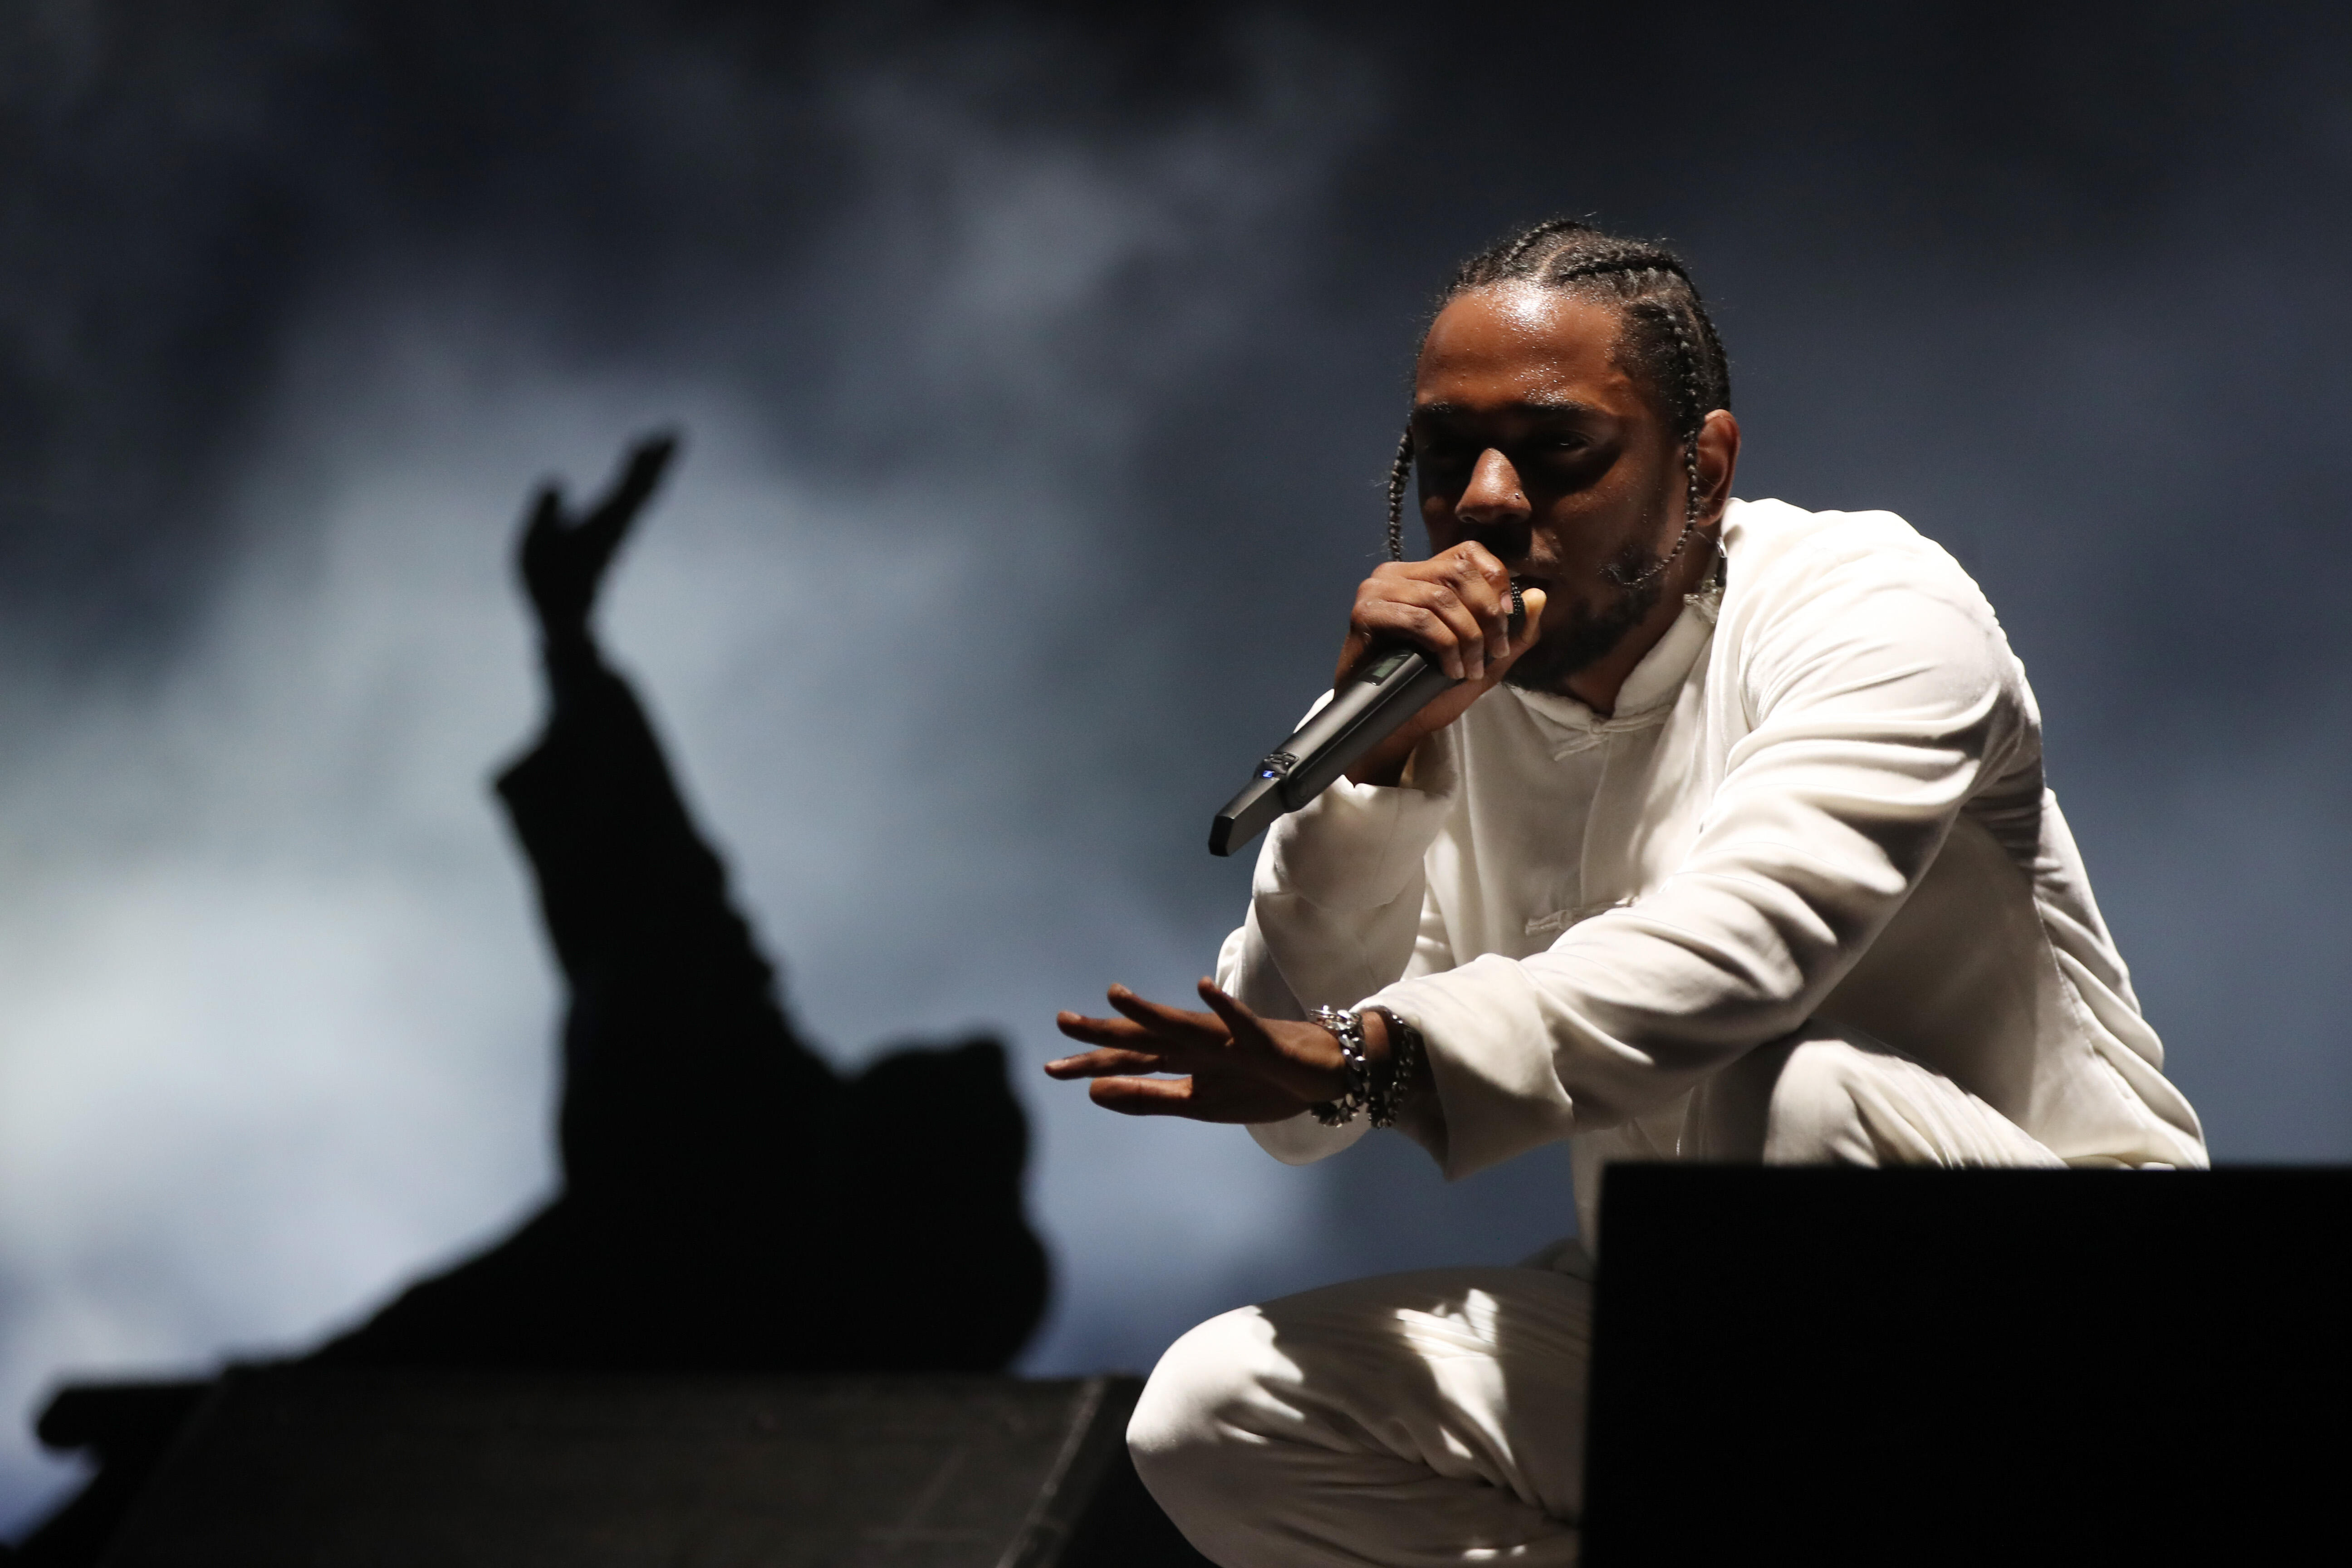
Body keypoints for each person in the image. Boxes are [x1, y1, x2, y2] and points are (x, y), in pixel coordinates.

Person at [1044, 219, 2206, 1566]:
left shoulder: (1875, 610)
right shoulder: (1438, 700)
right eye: (1444, 456)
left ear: (1703, 469)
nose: (1484, 499)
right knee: (1218, 1415)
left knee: (1802, 1098)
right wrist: (1375, 775)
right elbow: (1297, 1111)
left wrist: (1365, 1062)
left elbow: (1743, 952)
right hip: (1720, 1339)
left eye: (1556, 452)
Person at [314, 435, 1048, 1373]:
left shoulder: (846, 1216)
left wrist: (571, 642)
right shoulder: (747, 1121)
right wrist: (570, 641)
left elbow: (670, 908)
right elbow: (671, 905)